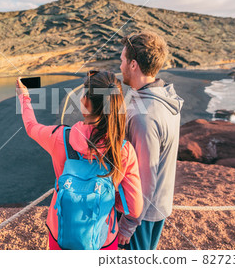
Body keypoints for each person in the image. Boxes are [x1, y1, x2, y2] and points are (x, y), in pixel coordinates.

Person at [16, 71, 143, 250]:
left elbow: (31, 127)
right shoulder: (123, 150)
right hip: (103, 239)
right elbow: (135, 208)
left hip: (60, 234)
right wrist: (117, 215)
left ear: (85, 103)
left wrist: (24, 98)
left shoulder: (60, 137)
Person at [117, 31, 184, 250]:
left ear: (133, 64)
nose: (120, 66)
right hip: (157, 207)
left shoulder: (143, 116)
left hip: (140, 214)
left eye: (123, 60)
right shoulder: (166, 98)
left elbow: (144, 176)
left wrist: (128, 224)